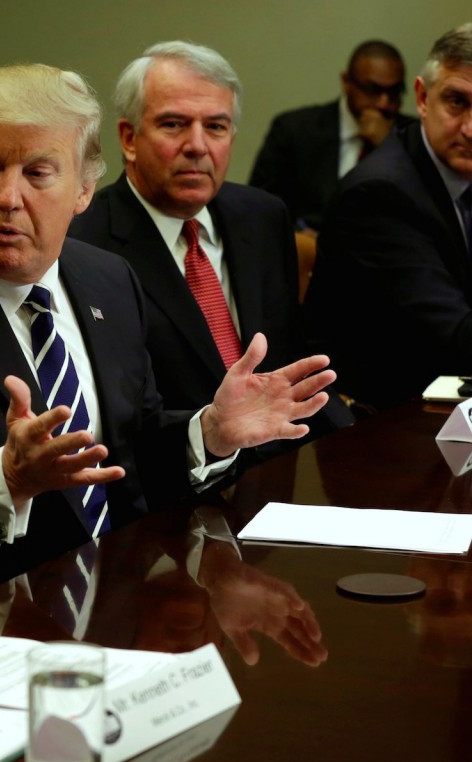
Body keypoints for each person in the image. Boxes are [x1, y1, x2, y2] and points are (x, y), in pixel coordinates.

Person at [0, 63, 336, 613]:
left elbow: (130, 447)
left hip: (114, 600)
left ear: (83, 190)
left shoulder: (109, 278)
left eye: (37, 173)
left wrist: (210, 432)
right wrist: (5, 478)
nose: (8, 196)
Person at [69, 41, 352, 460]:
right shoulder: (83, 243)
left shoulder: (263, 216)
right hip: (167, 477)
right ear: (129, 138)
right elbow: (115, 416)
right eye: (174, 125)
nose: (198, 146)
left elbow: (292, 357)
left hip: (278, 466)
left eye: (216, 127)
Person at [303, 23, 472, 412]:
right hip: (381, 423)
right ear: (423, 98)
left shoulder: (459, 169)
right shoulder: (378, 195)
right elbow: (458, 338)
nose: (469, 128)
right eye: (457, 101)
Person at [249, 40, 414, 234]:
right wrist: (295, 237)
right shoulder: (294, 129)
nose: (384, 103)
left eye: (394, 92)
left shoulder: (413, 135)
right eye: (372, 90)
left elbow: (424, 209)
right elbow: (258, 206)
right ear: (346, 82)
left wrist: (388, 146)